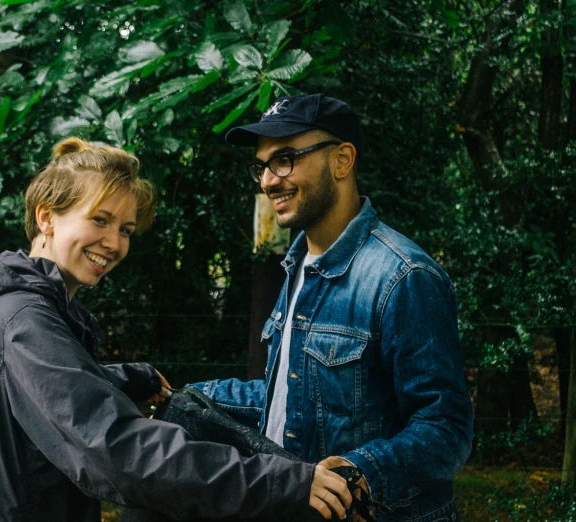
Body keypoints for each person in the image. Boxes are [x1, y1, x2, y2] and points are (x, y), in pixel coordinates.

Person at [0, 137, 354, 522]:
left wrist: (131, 379)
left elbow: (52, 392)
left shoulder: (34, 310)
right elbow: (120, 454)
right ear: (47, 218)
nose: (115, 243)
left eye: (125, 229)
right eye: (99, 220)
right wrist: (284, 482)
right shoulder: (24, 320)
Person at [190, 94, 474, 521]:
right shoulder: (298, 267)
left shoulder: (403, 276)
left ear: (342, 160)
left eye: (284, 159)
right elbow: (290, 396)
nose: (267, 181)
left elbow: (446, 429)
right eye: (262, 165)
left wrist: (359, 472)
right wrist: (187, 395)